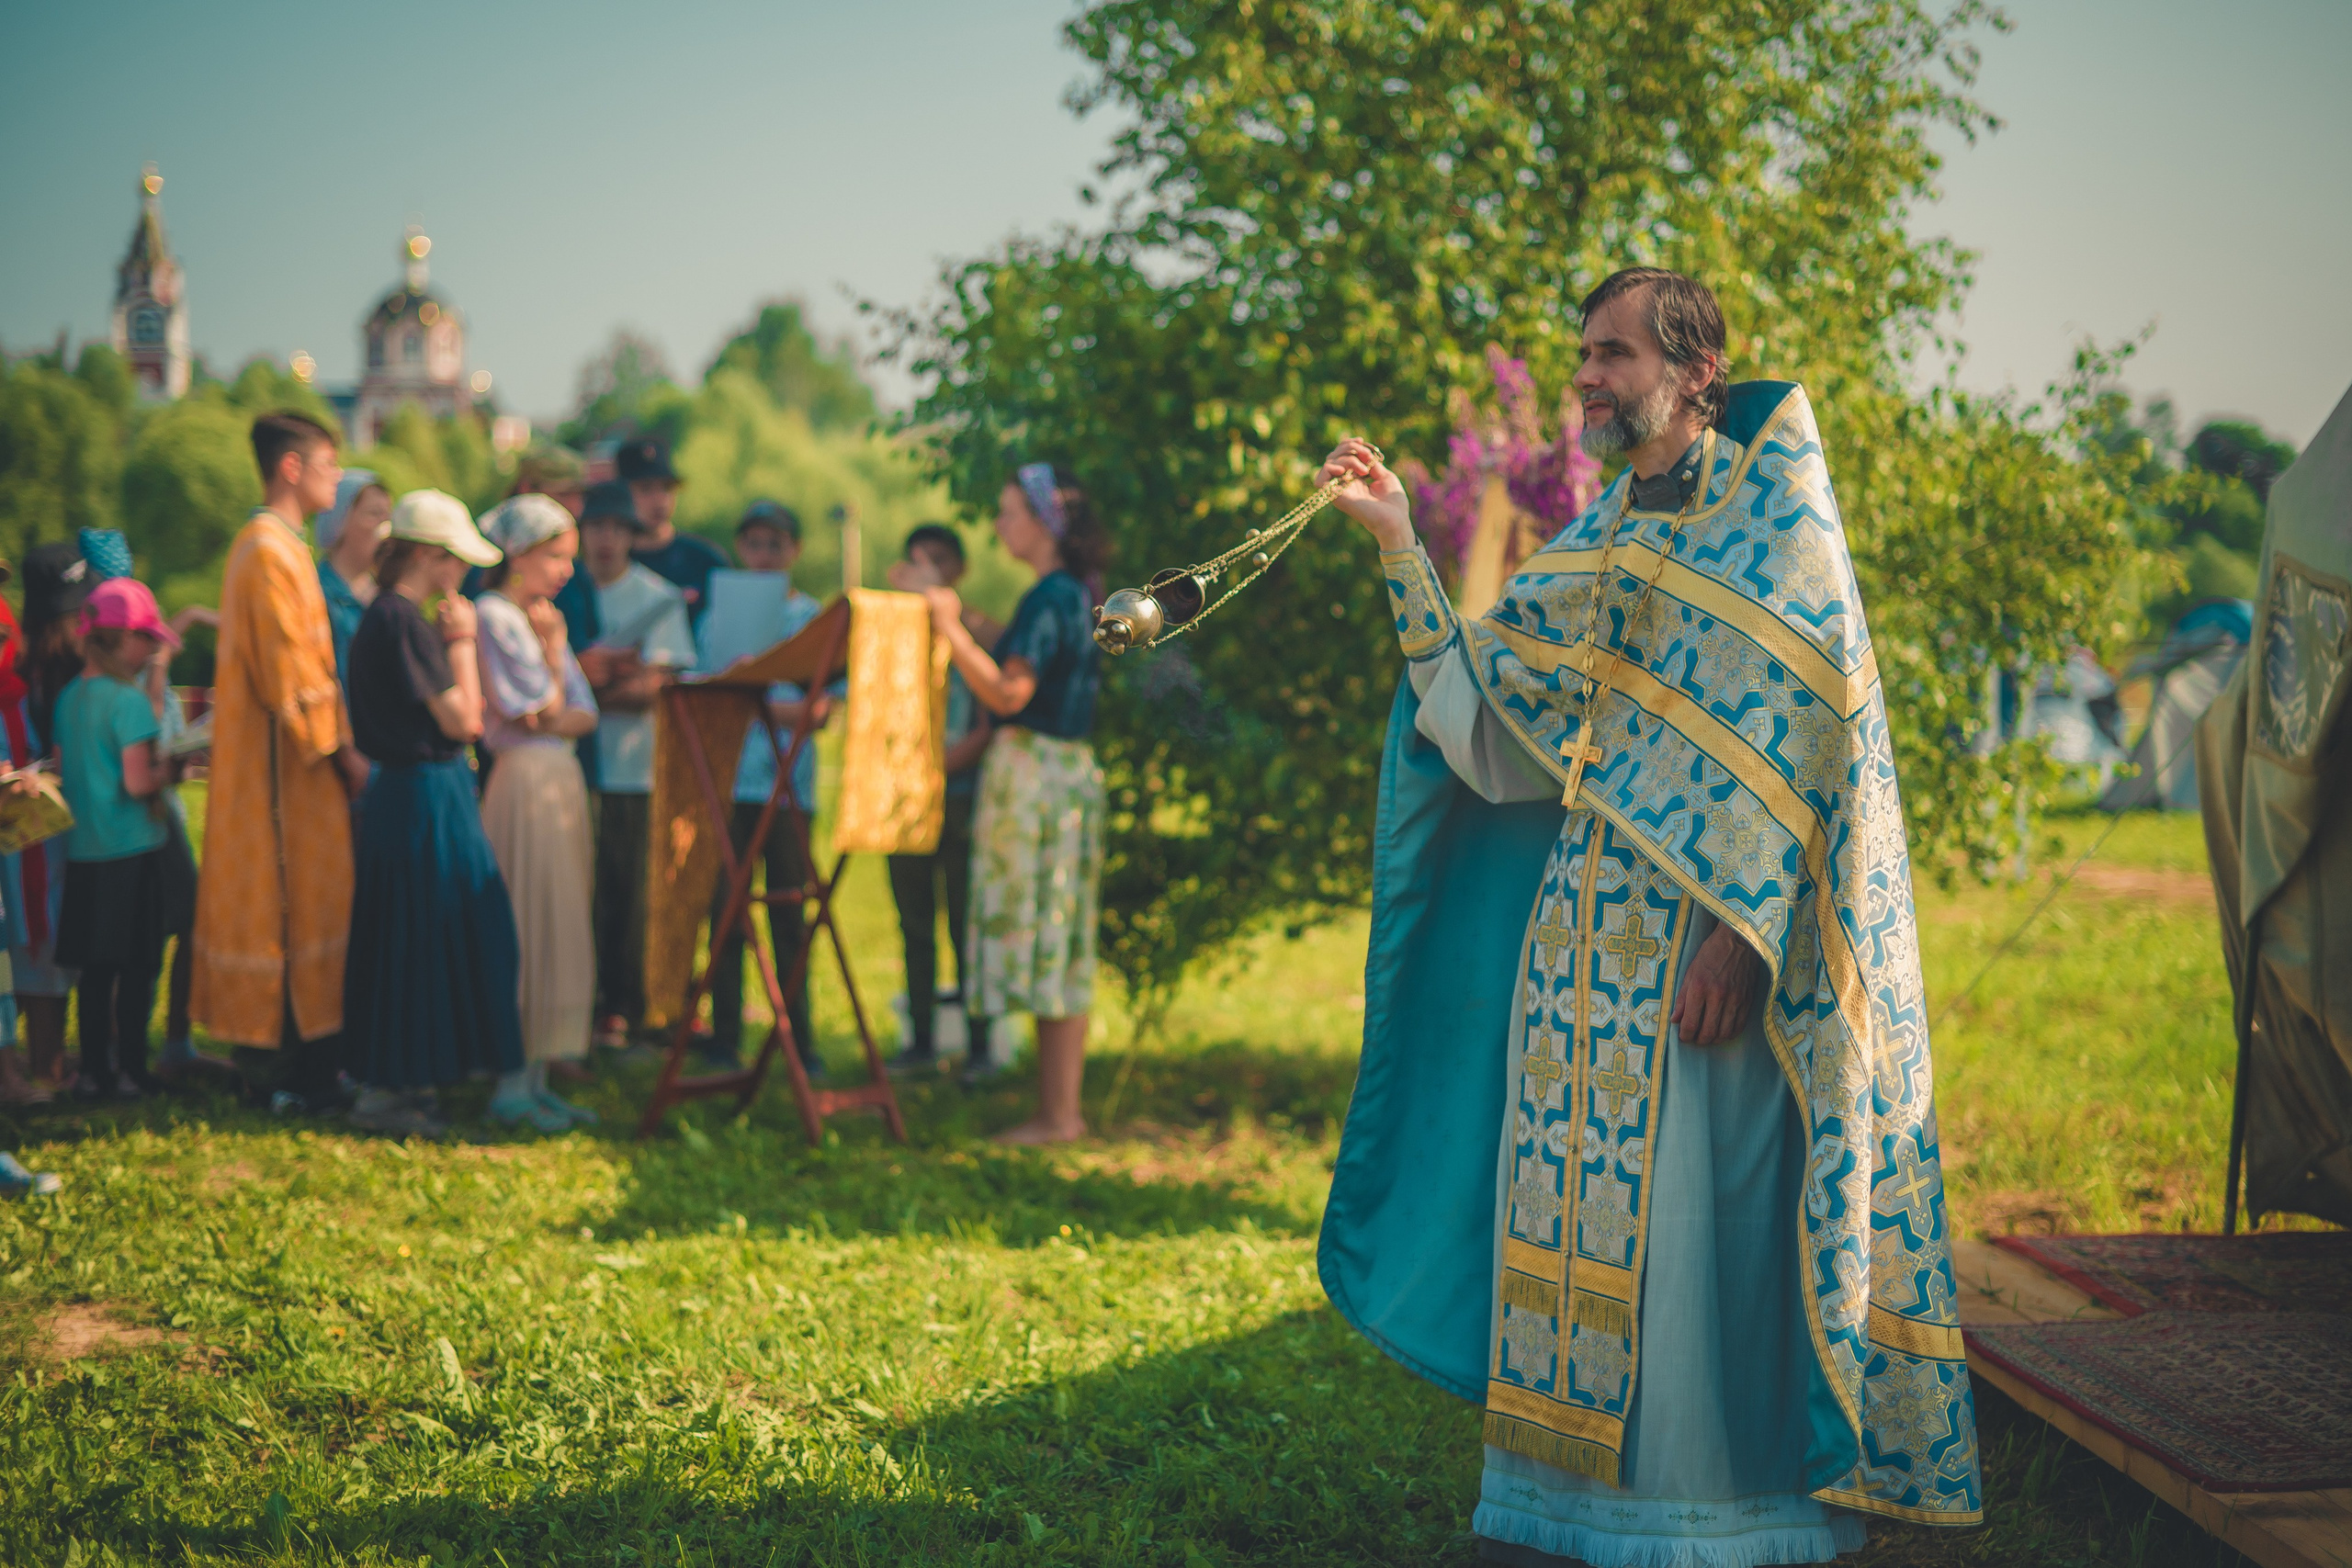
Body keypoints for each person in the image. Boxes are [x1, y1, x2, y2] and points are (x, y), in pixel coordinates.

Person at [1314, 267, 1982, 1562]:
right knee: (1569, 1211)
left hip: (1709, 948)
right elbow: (1488, 728)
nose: (1586, 376)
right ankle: (1563, 1514)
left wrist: (1742, 934)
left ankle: (1706, 1518)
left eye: (1613, 353)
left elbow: (1816, 760)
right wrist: (1397, 540)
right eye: (1584, 352)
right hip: (1576, 953)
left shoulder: (1778, 532)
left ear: (1695, 372)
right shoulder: (1604, 535)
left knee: (1691, 1229)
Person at [917, 464, 1108, 1133]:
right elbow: (1025, 654)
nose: (999, 525)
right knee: (1063, 942)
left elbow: (1007, 693)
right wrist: (968, 618)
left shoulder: (1048, 596)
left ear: (1043, 523)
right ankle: (1061, 1111)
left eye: (1008, 513)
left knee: (1045, 935)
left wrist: (949, 629)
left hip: (1034, 781)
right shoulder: (1074, 591)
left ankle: (1057, 1114)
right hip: (1069, 774)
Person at [192, 412, 368, 1114]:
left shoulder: (282, 545)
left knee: (310, 909)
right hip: (284, 775)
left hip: (297, 768)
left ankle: (309, 1066)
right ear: (291, 468)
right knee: (284, 911)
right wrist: (343, 751)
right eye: (327, 462)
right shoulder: (267, 548)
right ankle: (282, 1074)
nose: (336, 475)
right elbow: (291, 674)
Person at [340, 491, 523, 1135]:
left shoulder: (385, 617)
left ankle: (405, 1081)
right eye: (455, 558)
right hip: (423, 795)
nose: (463, 572)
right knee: (424, 932)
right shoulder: (401, 621)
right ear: (426, 556)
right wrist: (464, 643)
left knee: (417, 933)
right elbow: (465, 720)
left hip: (412, 793)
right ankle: (393, 1089)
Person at [474, 494, 600, 1128]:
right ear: (519, 555)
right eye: (555, 556)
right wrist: (553, 655)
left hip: (556, 776)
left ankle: (540, 1074)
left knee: (559, 916)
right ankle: (510, 1081)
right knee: (527, 916)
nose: (566, 571)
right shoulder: (495, 616)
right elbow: (537, 710)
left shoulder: (539, 618)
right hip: (523, 780)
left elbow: (584, 712)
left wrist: (554, 697)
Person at [695, 500, 823, 1077]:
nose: (764, 555)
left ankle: (800, 1042)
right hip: (728, 785)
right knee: (725, 913)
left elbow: (820, 711)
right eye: (754, 543)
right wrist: (746, 695)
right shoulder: (717, 616)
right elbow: (704, 695)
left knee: (790, 913)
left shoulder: (811, 619)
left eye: (776, 544)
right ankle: (725, 1039)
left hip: (790, 788)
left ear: (794, 550)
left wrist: (755, 698)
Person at [574, 479, 696, 1047]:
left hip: (636, 768)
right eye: (596, 527)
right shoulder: (566, 592)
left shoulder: (655, 595)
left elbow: (660, 684)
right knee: (586, 890)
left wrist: (588, 692)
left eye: (617, 529)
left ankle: (632, 1005)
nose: (606, 540)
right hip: (578, 768)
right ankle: (591, 1004)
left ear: (631, 536)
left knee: (633, 891)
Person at [53, 579, 184, 1100]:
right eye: (145, 638)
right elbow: (137, 783)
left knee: (95, 967)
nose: (151, 649)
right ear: (121, 638)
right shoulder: (128, 701)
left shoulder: (69, 697)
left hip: (84, 850)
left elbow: (62, 771)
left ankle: (94, 1071)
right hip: (132, 849)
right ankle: (132, 1068)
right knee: (138, 965)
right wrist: (172, 769)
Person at [885, 525, 995, 1077]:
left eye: (940, 561)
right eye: (918, 561)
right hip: (905, 800)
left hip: (962, 795)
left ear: (959, 570)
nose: (928, 570)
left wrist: (942, 765)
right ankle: (921, 1041)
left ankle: (979, 1048)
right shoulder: (888, 635)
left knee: (966, 924)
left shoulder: (977, 630)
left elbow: (989, 718)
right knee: (914, 925)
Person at [8, 543, 92, 1093]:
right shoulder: (32, 671)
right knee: (41, 941)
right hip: (36, 833)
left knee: (53, 943)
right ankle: (43, 1066)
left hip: (62, 828)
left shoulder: (59, 666)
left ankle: (48, 1062)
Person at [616, 437, 727, 624]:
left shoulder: (706, 561)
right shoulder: (612, 564)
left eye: (666, 488)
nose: (659, 500)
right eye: (645, 489)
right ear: (620, 493)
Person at [315, 470, 391, 686]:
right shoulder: (316, 592)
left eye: (388, 517)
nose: (385, 529)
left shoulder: (387, 594)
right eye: (374, 514)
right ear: (339, 521)